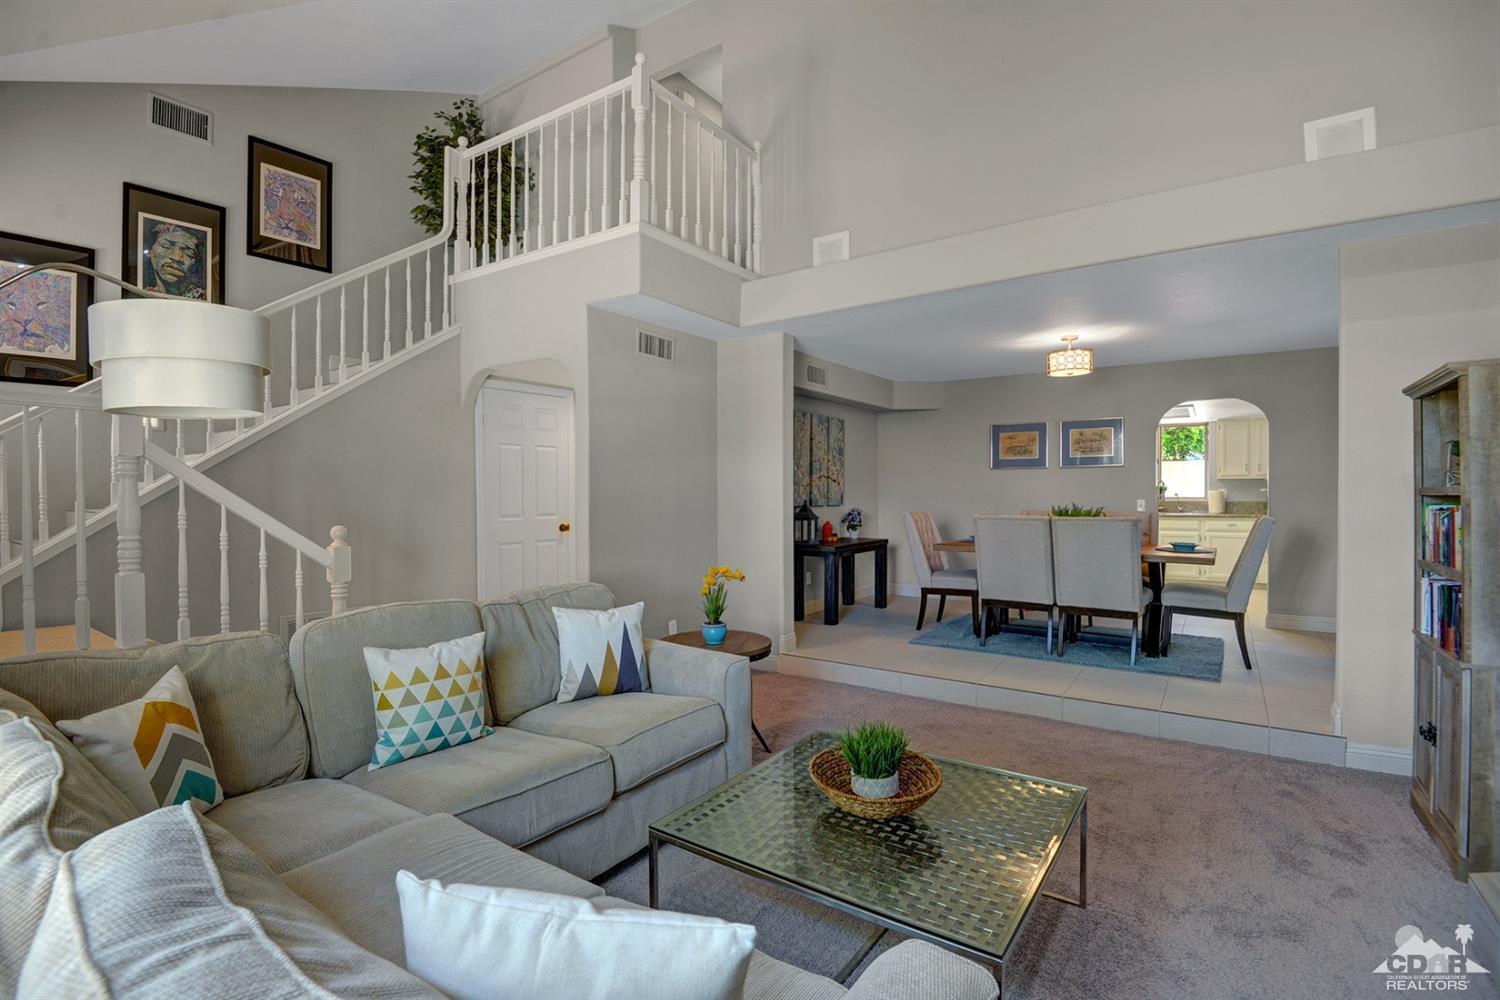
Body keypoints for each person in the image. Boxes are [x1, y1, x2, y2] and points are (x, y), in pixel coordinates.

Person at [143, 223, 206, 299]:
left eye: (188, 252)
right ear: (150, 251)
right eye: (165, 245)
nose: (177, 257)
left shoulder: (202, 298)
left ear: (194, 261)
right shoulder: (141, 297)